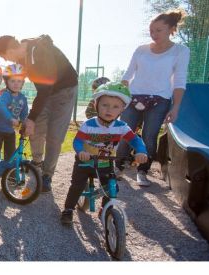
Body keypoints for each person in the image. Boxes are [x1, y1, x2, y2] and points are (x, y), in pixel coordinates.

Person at [0, 34, 78, 193]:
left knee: (54, 135)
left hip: (64, 91)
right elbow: (20, 80)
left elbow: (46, 88)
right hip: (46, 92)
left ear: (11, 50)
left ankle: (47, 174)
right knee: (36, 129)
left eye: (4, 56)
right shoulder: (22, 58)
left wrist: (30, 118)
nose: (5, 60)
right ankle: (37, 164)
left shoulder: (37, 52)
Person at [116, 9, 190, 186]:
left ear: (171, 29)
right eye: (151, 30)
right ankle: (117, 166)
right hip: (134, 97)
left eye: (159, 30)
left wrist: (175, 107)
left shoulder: (180, 51)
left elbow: (180, 81)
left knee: (150, 136)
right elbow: (127, 75)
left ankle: (142, 171)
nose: (154, 34)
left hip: (160, 99)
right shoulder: (141, 50)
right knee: (125, 132)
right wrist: (120, 93)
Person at [60, 83, 148, 225]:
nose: (109, 110)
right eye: (105, 105)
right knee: (77, 186)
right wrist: (81, 151)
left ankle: (105, 209)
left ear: (122, 109)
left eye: (115, 107)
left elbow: (135, 140)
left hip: (105, 163)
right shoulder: (88, 125)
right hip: (85, 162)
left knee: (112, 187)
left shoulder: (121, 127)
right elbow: (77, 141)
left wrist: (141, 151)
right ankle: (68, 209)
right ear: (96, 105)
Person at [0, 64, 29, 176]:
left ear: (23, 83)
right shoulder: (5, 95)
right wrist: (11, 118)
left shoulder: (22, 99)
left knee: (10, 154)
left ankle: (8, 176)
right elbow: (1, 106)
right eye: (13, 81)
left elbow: (24, 114)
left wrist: (25, 125)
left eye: (19, 81)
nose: (16, 84)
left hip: (10, 132)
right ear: (7, 82)